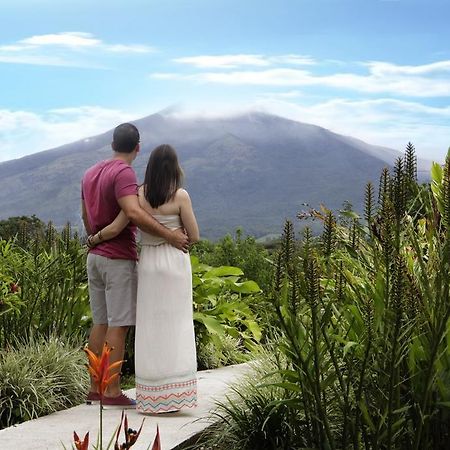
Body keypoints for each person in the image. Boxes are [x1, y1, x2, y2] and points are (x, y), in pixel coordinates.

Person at [81, 124, 189, 408]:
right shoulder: (124, 173)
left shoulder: (90, 173)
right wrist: (171, 235)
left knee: (100, 322)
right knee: (119, 324)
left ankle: (95, 388)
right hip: (117, 257)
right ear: (137, 147)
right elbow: (132, 212)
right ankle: (112, 391)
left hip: (95, 256)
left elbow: (85, 214)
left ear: (112, 143)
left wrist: (95, 238)